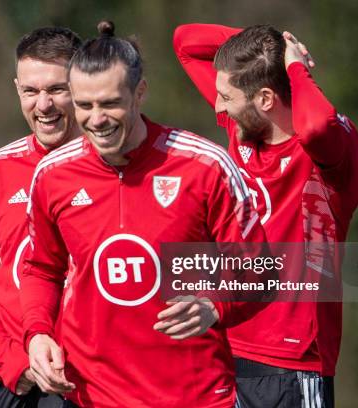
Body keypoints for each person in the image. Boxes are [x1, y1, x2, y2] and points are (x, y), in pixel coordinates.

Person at [21, 21, 266, 408]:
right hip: (93, 398)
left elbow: (260, 270)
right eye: (84, 105)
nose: (96, 119)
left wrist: (215, 306)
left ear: (140, 93)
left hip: (196, 398)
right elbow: (40, 269)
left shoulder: (204, 166)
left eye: (110, 103)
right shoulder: (53, 175)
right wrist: (36, 333)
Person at [173, 23, 358, 407]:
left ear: (264, 99)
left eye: (226, 97)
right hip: (227, 343)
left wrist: (295, 68)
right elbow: (186, 43)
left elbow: (315, 127)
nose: (217, 107)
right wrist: (277, 44)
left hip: (291, 362)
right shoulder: (243, 126)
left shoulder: (325, 153)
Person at [0, 26, 82, 408]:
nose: (43, 105)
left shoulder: (118, 167)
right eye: (31, 91)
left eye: (56, 90)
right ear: (17, 90)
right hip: (14, 384)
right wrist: (12, 363)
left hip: (92, 382)